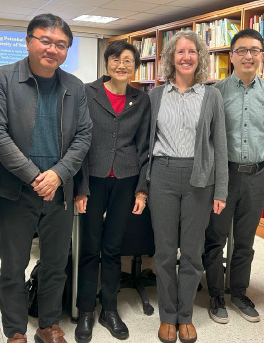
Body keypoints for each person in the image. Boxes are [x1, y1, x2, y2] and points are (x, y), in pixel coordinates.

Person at [0, 14, 92, 343]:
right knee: (13, 266)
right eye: (45, 40)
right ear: (28, 41)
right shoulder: (1, 77)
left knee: (56, 263)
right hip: (15, 190)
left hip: (59, 191)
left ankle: (48, 325)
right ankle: (16, 331)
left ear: (67, 50)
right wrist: (35, 176)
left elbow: (84, 135)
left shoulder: (74, 86)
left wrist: (58, 175)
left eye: (60, 44)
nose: (52, 49)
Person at [147, 30, 228, 343]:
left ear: (200, 57)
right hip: (163, 177)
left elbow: (219, 145)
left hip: (199, 179)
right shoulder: (155, 96)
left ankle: (186, 315)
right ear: (170, 57)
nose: (185, 57)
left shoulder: (212, 96)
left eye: (192, 51)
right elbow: (146, 143)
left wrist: (220, 190)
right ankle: (168, 314)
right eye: (179, 52)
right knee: (165, 251)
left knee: (192, 252)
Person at [203, 29, 264, 323]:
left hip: (256, 177)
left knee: (246, 241)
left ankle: (238, 291)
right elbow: (208, 138)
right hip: (223, 176)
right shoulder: (216, 92)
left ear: (262, 56)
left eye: (254, 50)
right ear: (231, 56)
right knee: (216, 238)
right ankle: (214, 294)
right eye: (242, 50)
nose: (248, 56)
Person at [74, 40, 150, 343]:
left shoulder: (141, 99)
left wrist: (141, 190)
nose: (122, 65)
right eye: (116, 59)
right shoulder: (87, 92)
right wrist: (80, 187)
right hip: (92, 178)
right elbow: (77, 143)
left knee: (113, 248)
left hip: (126, 179)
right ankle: (86, 310)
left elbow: (144, 148)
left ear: (135, 66)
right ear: (107, 63)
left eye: (128, 60)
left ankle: (109, 308)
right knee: (90, 247)